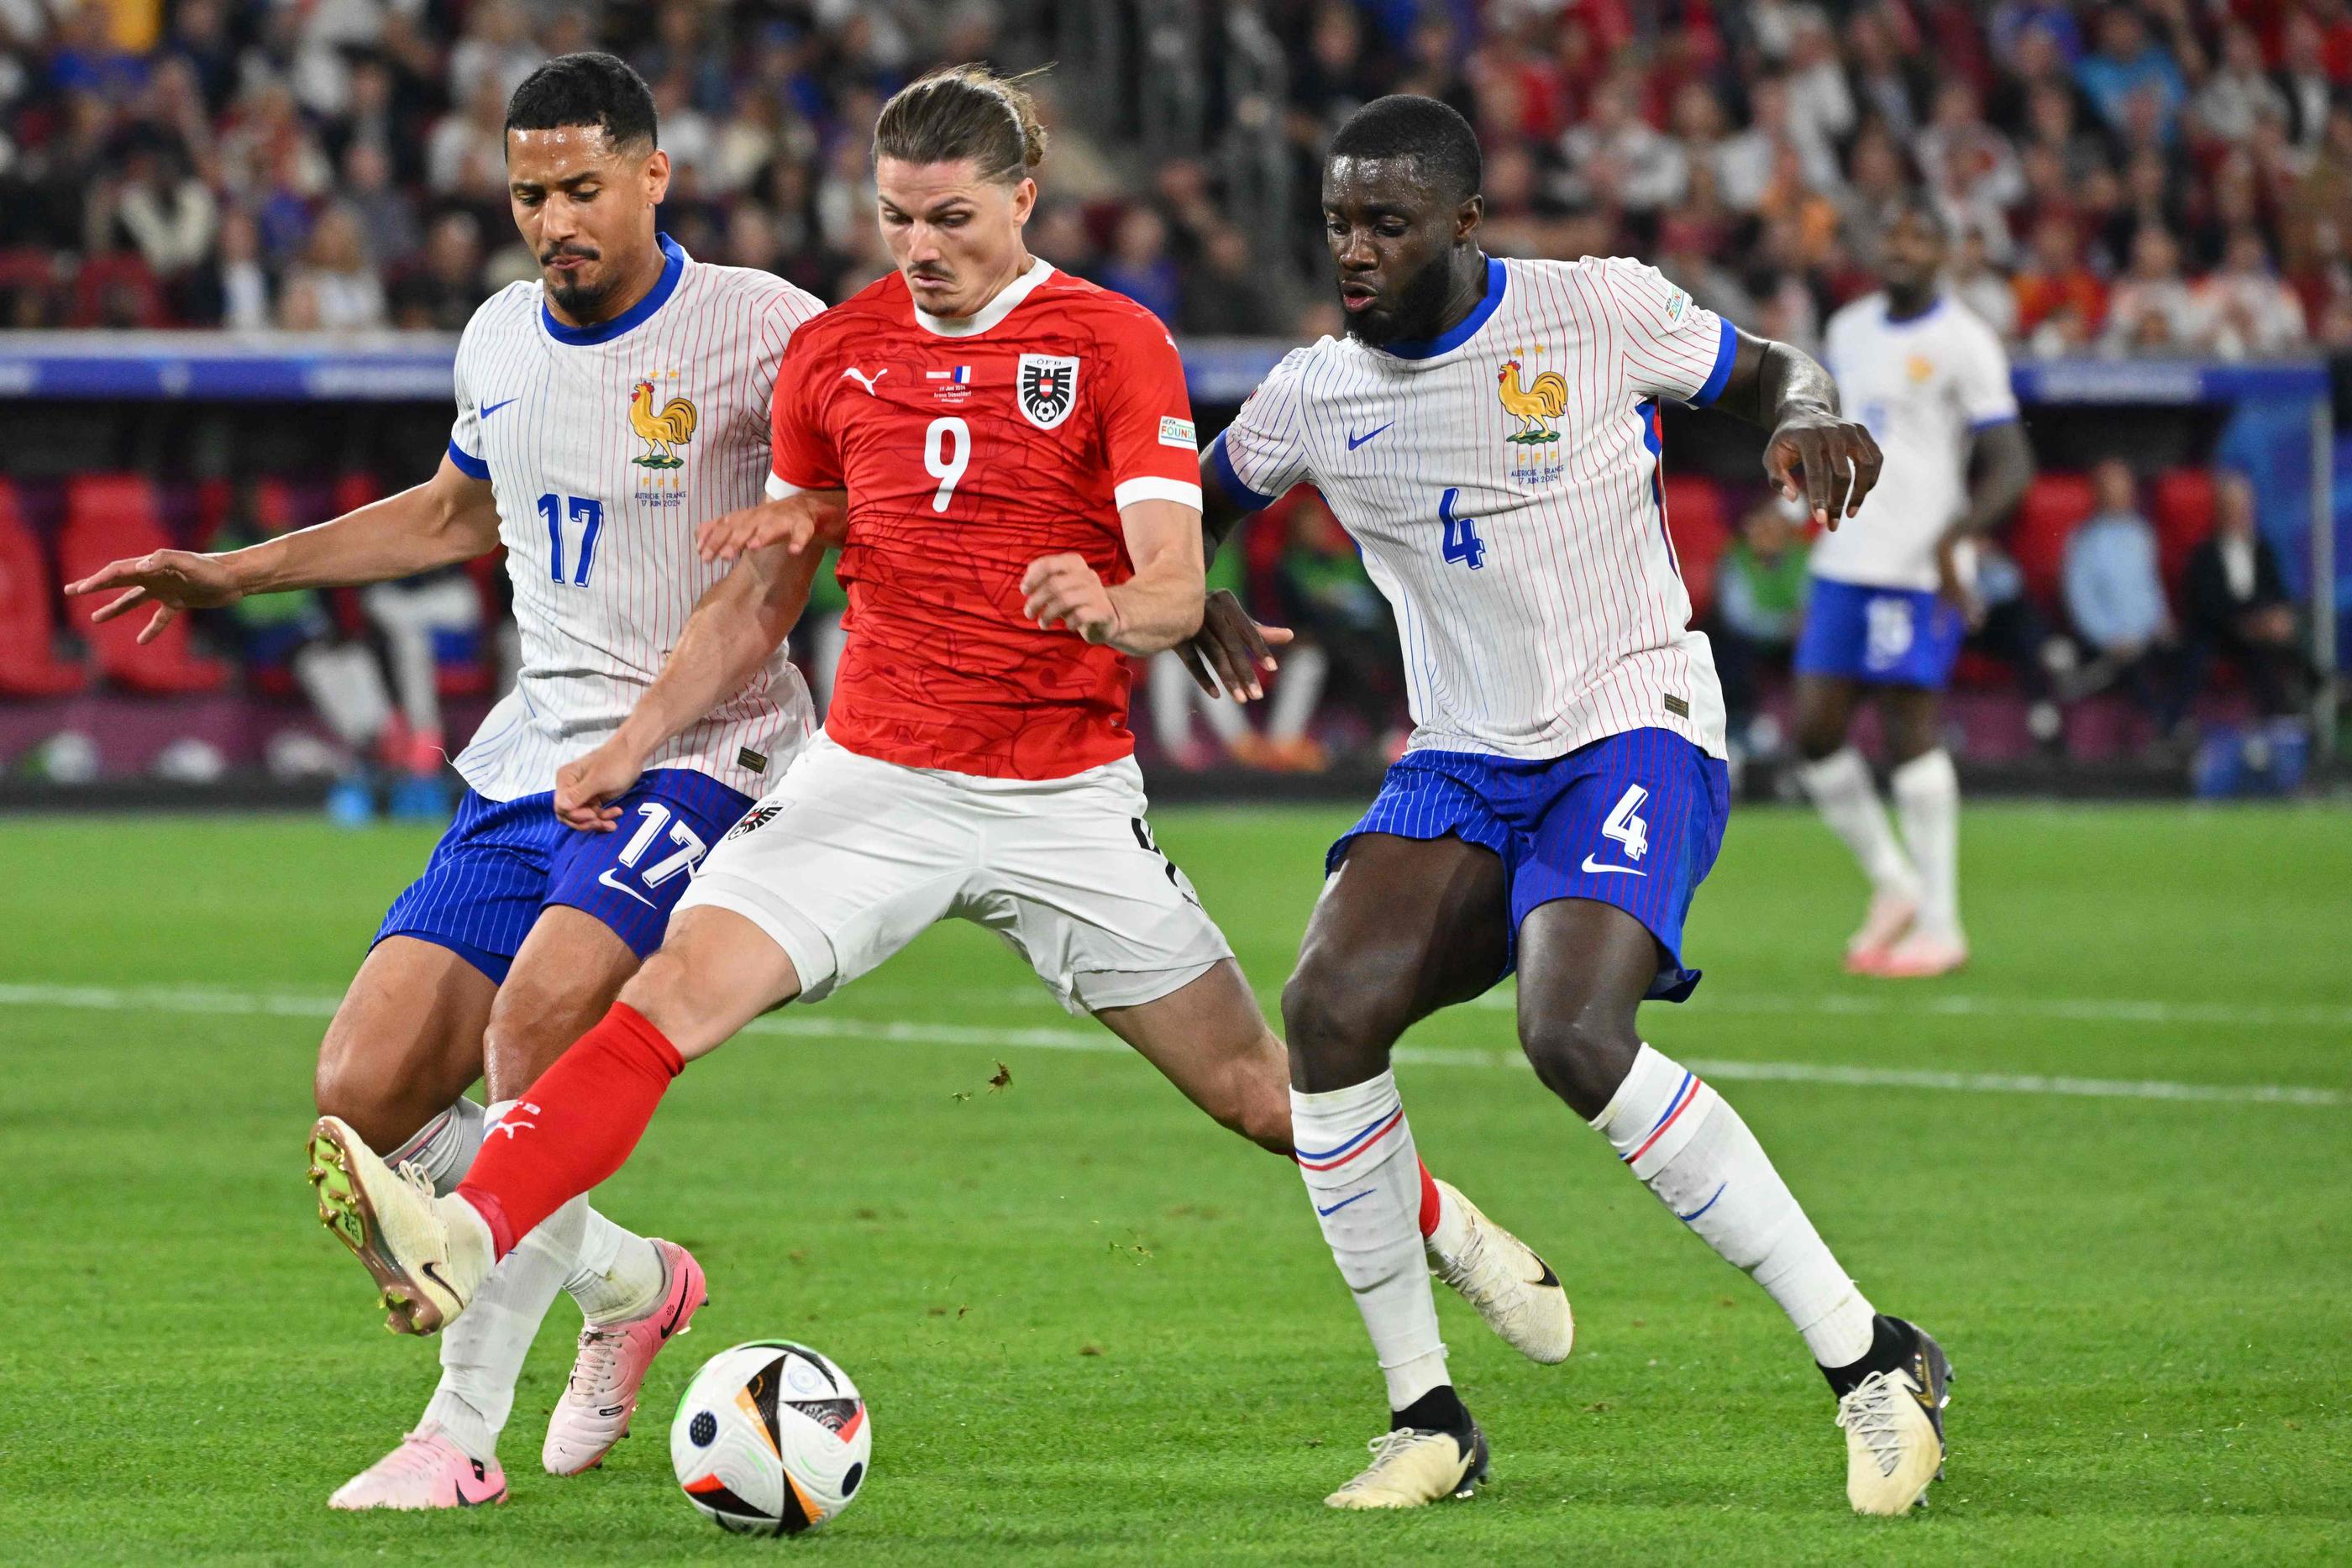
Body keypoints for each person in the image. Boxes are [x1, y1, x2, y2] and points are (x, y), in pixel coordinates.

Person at [298, 60, 1571, 1464]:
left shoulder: (1110, 341)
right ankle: (474, 1228)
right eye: (898, 219)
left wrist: (1117, 608)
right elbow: (761, 599)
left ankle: (1443, 1220)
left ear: (1024, 197)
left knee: (1261, 1094)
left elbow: (1166, 576)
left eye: (953, 219)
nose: (923, 250)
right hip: (872, 777)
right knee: (656, 1005)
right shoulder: (836, 354)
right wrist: (637, 738)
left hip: (1061, 797)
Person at [68, 54, 827, 1509]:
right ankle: (633, 1281)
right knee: (361, 1090)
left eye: (582, 188)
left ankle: (458, 1435)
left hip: (701, 757)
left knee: (536, 1024)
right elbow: (448, 512)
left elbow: (816, 537)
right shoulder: (496, 337)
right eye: (530, 193)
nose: (555, 219)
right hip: (531, 758)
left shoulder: (762, 329)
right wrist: (235, 570)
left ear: (655, 176)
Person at [1188, 93, 1950, 1517]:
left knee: (1573, 1030)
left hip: (1631, 723)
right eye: (1341, 221)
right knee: (1325, 1015)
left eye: (1389, 224)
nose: (1355, 248)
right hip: (1464, 757)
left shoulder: (1594, 310)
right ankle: (1428, 1416)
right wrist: (1189, 586)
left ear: (1467, 226)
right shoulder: (1312, 392)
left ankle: (1872, 1361)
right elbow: (1198, 491)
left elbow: (1764, 366)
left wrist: (1808, 415)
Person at [1793, 199, 2035, 979]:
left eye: (1918, 236)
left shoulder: (1966, 342)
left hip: (1913, 567)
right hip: (1843, 554)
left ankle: (1942, 923)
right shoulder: (1849, 328)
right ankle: (1894, 883)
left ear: (1945, 254)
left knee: (1909, 731)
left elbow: (2012, 463)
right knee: (1815, 733)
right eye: (1893, 232)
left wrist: (1957, 538)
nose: (1900, 245)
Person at [2063, 459, 2184, 739]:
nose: (2122, 496)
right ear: (2099, 494)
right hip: (2110, 643)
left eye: (2125, 489)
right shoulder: (2084, 542)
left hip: (2148, 637)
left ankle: (2179, 725)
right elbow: (2081, 602)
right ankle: (2162, 732)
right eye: (2113, 490)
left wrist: (2163, 621)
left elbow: (2151, 588)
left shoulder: (2142, 534)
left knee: (2188, 653)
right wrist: (2111, 638)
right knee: (2133, 667)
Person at [2183, 471, 2307, 718]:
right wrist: (2246, 622)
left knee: (2297, 627)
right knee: (2254, 649)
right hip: (2223, 628)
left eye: (2244, 506)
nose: (2240, 513)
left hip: (2263, 620)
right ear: (2220, 510)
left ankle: (2319, 689)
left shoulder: (2262, 549)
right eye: (2233, 507)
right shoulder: (2204, 554)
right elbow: (2205, 605)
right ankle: (2276, 716)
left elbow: (2277, 589)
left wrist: (2276, 614)